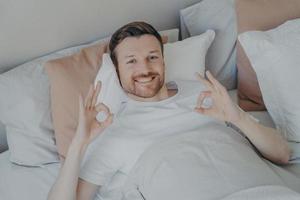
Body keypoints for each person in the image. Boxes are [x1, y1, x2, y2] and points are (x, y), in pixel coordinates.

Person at [47, 21, 290, 200]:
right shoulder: (113, 131)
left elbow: (282, 154)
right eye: (131, 61)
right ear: (118, 70)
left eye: (152, 57)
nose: (144, 69)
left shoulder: (205, 93)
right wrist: (79, 143)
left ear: (164, 61)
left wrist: (238, 118)